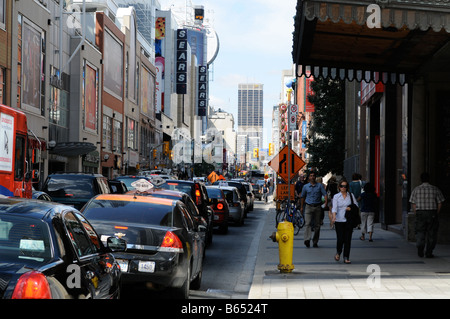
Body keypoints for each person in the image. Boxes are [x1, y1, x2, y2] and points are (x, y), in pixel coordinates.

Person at [409, 172, 445, 258]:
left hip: (420, 212)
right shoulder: (435, 189)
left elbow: (413, 203)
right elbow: (440, 202)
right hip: (432, 212)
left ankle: (420, 247)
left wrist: (416, 213)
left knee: (420, 231)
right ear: (429, 179)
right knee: (432, 233)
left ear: (421, 179)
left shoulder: (416, 189)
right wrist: (436, 212)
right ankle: (429, 252)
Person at [330, 180, 357, 264]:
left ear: (347, 187)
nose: (343, 188)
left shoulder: (351, 196)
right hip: (339, 220)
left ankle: (346, 257)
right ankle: (338, 252)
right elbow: (334, 208)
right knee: (340, 239)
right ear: (339, 187)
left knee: (348, 239)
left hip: (348, 220)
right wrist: (334, 217)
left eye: (345, 186)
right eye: (342, 186)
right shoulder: (336, 196)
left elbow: (356, 205)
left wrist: (350, 208)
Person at [300, 171, 328, 248]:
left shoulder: (319, 186)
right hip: (308, 206)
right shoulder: (305, 187)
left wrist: (326, 202)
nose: (312, 177)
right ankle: (307, 240)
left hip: (317, 207)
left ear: (315, 177)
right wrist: (302, 207)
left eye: (313, 176)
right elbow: (302, 197)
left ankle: (315, 241)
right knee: (307, 223)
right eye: (311, 176)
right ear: (309, 177)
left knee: (317, 225)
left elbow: (325, 194)